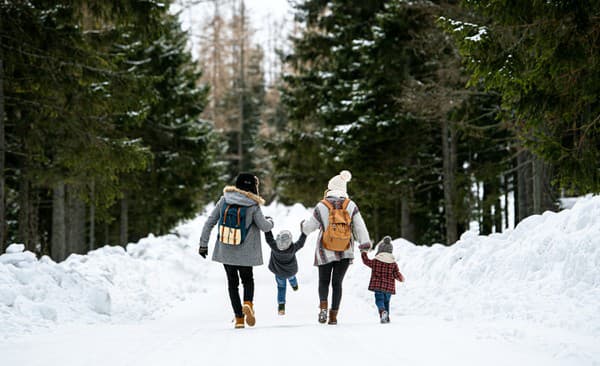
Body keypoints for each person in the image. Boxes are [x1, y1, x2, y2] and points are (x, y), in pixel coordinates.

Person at [198, 173, 273, 329]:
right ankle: (248, 304)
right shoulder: (252, 205)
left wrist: (203, 244)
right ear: (253, 187)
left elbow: (209, 223)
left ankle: (239, 319)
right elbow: (264, 226)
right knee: (247, 280)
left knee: (232, 283)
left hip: (226, 250)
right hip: (246, 253)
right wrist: (271, 221)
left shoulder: (224, 200)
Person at [301, 170, 371, 325]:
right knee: (337, 283)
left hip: (324, 250)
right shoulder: (350, 205)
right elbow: (360, 227)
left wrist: (303, 227)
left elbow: (309, 227)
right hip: (345, 250)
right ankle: (333, 316)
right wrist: (364, 247)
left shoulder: (322, 205)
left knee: (323, 281)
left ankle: (323, 308)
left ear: (330, 188)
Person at [360, 236, 405, 323]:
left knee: (379, 301)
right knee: (386, 302)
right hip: (389, 288)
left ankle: (382, 312)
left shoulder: (376, 261)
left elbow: (366, 261)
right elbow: (396, 274)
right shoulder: (393, 264)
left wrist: (363, 253)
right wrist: (401, 278)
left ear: (380, 250)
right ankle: (386, 317)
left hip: (378, 287)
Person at [264, 224, 307, 315]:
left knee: (281, 287)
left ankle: (281, 306)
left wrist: (267, 226)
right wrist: (304, 232)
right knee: (292, 278)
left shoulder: (274, 246)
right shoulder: (293, 248)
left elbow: (269, 238)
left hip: (279, 273)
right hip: (291, 271)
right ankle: (294, 286)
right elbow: (301, 242)